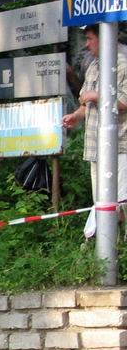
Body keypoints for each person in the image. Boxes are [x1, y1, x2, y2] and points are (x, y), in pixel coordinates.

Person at [61, 23, 127, 235]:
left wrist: (97, 96)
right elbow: (84, 103)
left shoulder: (123, 63)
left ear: (105, 37)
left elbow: (125, 101)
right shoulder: (94, 66)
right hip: (95, 147)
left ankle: (111, 248)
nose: (87, 45)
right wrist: (76, 117)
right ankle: (103, 249)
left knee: (120, 203)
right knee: (101, 203)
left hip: (119, 146)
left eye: (90, 39)